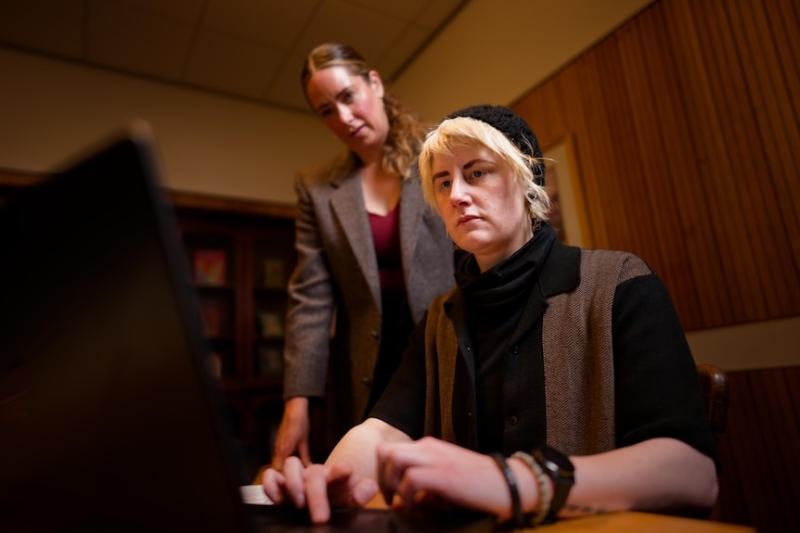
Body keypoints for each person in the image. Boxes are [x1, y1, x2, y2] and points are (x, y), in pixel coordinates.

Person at [262, 105, 720, 527]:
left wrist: (508, 481)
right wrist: (331, 477)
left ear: (527, 181)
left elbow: (693, 474)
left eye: (476, 173)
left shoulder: (619, 283)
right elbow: (382, 432)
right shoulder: (438, 320)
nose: (456, 195)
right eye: (443, 182)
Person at [270, 43, 456, 470]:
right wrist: (297, 402)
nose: (343, 118)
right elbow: (311, 299)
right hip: (368, 371)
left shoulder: (440, 153)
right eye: (325, 111)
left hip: (444, 349)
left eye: (347, 97)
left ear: (374, 83)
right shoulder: (316, 187)